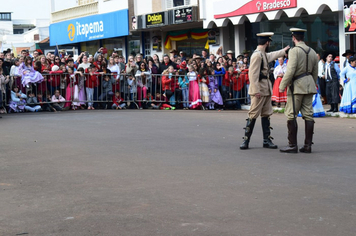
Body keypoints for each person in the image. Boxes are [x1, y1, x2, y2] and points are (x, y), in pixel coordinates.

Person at [240, 32, 290, 150]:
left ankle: (266, 140)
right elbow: (253, 75)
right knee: (253, 114)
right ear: (267, 42)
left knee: (266, 114)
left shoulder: (262, 54)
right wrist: (255, 90)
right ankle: (246, 141)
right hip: (259, 90)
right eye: (269, 42)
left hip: (266, 89)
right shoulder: (257, 55)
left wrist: (283, 50)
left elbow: (272, 55)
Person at [279, 28, 318, 154]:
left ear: (293, 37)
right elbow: (315, 73)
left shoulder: (294, 51)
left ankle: (292, 145)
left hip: (297, 86)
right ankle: (307, 146)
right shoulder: (312, 51)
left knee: (291, 114)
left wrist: (282, 86)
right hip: (309, 84)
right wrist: (312, 83)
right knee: (308, 114)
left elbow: (290, 70)